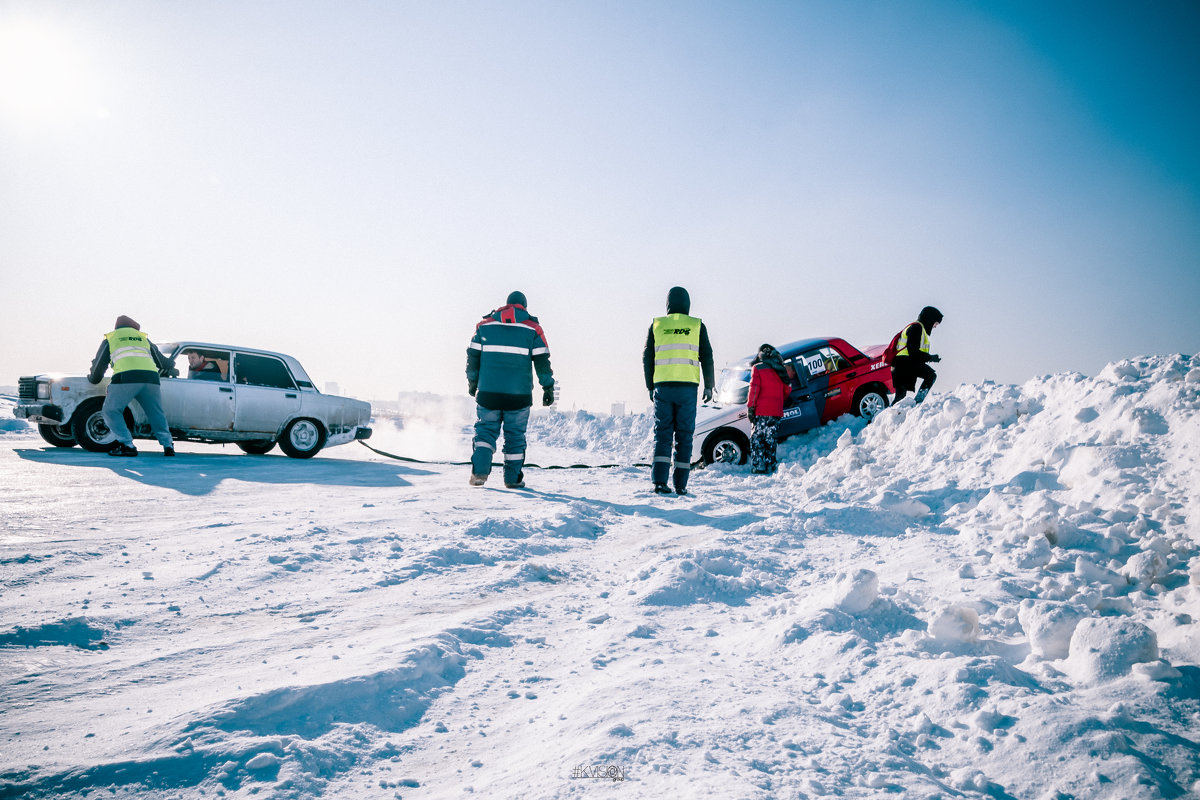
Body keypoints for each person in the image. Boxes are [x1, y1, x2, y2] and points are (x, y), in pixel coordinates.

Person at [465, 291, 555, 489]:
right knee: (515, 436)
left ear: (506, 305)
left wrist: (472, 382)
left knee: (485, 432)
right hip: (519, 395)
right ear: (524, 306)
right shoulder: (533, 329)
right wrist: (548, 387)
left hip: (488, 392)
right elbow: (542, 361)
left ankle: (479, 472)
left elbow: (472, 356)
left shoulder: (484, 326)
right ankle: (512, 479)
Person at [642, 286, 714, 496]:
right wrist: (709, 384)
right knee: (684, 436)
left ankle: (659, 482)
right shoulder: (696, 325)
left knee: (662, 434)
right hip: (687, 388)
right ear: (688, 304)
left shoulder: (657, 325)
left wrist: (650, 385)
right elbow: (707, 356)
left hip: (663, 387)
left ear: (668, 305)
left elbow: (647, 357)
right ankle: (681, 485)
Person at [88, 315, 175, 457]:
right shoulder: (143, 338)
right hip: (151, 379)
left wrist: (93, 379)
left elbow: (99, 364)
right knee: (155, 412)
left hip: (126, 378)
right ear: (134, 327)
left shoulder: (112, 338)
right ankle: (168, 445)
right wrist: (171, 365)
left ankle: (127, 445)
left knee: (111, 411)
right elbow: (163, 363)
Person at [747, 343, 790, 474]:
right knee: (770, 439)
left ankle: (759, 466)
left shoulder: (757, 368)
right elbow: (787, 390)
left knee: (757, 438)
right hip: (775, 412)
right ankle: (770, 465)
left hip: (761, 411)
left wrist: (751, 407)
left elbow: (754, 389)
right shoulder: (781, 370)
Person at [891, 306, 943, 404]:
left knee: (900, 397)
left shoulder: (917, 327)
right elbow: (913, 351)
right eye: (935, 323)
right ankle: (917, 403)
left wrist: (930, 358)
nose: (935, 326)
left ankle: (893, 416)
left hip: (902, 364)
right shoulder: (916, 328)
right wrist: (931, 357)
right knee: (930, 375)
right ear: (930, 319)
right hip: (903, 364)